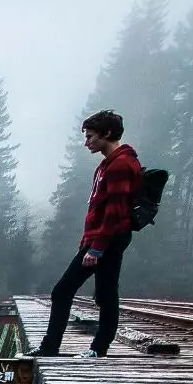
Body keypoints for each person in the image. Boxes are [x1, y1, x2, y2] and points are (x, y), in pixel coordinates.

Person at [38, 110, 143, 357]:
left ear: (107, 134)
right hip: (104, 238)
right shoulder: (109, 164)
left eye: (90, 136)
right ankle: (97, 349)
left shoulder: (120, 164)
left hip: (108, 238)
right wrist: (88, 240)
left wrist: (96, 247)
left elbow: (116, 212)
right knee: (106, 293)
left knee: (63, 291)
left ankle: (53, 348)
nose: (87, 142)